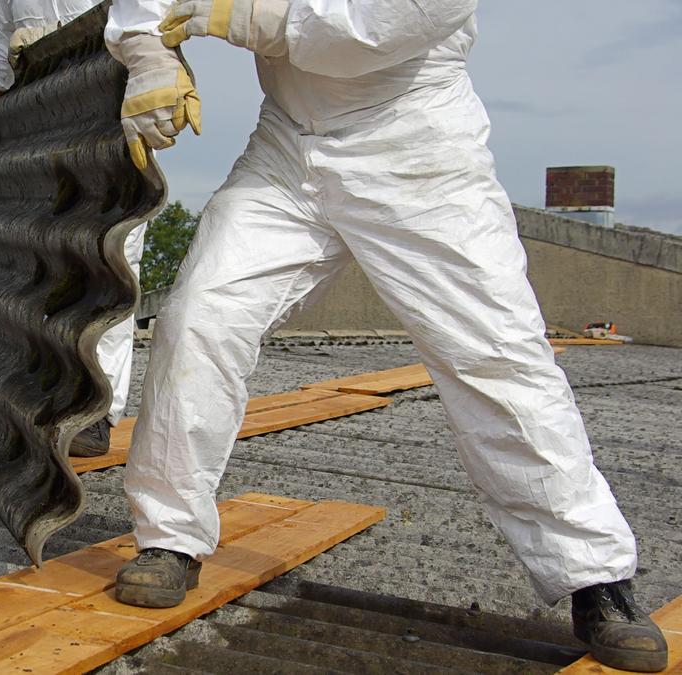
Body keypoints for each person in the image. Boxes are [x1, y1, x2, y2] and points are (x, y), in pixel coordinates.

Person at [103, 0, 668, 671]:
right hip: (288, 145)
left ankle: (594, 576)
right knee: (199, 316)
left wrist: (232, 12)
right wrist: (146, 56)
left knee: (495, 356)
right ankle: (169, 538)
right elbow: (146, 6)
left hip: (416, 145)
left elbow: (359, 34)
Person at [0, 0, 147, 457]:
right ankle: (37, 393)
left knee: (110, 257)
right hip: (39, 111)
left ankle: (96, 410)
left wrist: (159, 64)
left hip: (110, 99)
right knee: (36, 254)